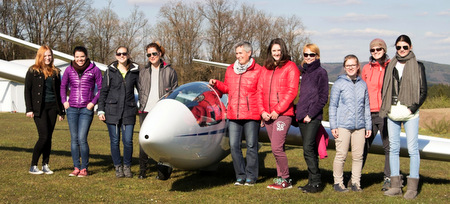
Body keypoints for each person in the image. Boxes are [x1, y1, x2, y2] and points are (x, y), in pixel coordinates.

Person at [380, 34, 427, 200]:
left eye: (404, 47)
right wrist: (387, 107)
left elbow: (423, 91)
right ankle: (395, 186)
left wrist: (412, 108)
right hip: (392, 112)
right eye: (398, 47)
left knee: (413, 149)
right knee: (393, 149)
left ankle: (412, 187)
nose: (401, 50)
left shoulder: (418, 66)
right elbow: (384, 89)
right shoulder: (391, 65)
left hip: (410, 113)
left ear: (410, 47)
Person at [209, 41, 262, 186]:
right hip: (233, 114)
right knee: (234, 146)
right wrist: (217, 84)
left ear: (249, 53)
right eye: (237, 53)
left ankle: (251, 176)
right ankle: (240, 175)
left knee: (251, 146)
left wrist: (263, 112)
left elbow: (261, 93)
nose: (238, 56)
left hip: (252, 114)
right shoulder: (231, 69)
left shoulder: (259, 70)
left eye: (241, 53)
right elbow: (227, 87)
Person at [258, 38, 300, 190]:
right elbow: (259, 91)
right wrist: (262, 111)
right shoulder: (265, 68)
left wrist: (277, 110)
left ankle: (286, 179)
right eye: (274, 50)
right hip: (267, 115)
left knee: (276, 147)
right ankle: (279, 179)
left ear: (283, 51)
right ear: (270, 52)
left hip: (283, 114)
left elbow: (292, 91)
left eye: (279, 50)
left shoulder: (291, 67)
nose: (276, 53)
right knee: (277, 149)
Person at [329, 54, 372, 192]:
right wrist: (333, 125)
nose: (350, 68)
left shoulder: (363, 84)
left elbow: (366, 106)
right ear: (344, 67)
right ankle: (338, 183)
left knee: (358, 156)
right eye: (348, 66)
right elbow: (333, 106)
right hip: (342, 126)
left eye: (353, 65)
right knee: (341, 155)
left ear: (358, 66)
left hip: (359, 126)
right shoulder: (339, 84)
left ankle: (356, 183)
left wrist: (368, 125)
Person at [138, 42, 178, 179]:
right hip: (145, 110)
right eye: (149, 54)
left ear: (160, 53)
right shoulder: (143, 72)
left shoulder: (170, 71)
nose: (151, 56)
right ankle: (142, 171)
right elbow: (140, 89)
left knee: (163, 141)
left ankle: (162, 171)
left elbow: (174, 91)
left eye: (154, 53)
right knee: (144, 141)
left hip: (162, 112)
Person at [98, 46, 139, 178]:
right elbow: (103, 91)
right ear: (116, 56)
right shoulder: (110, 71)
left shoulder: (134, 71)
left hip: (128, 110)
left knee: (128, 141)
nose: (122, 56)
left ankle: (127, 166)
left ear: (128, 55)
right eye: (119, 54)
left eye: (124, 53)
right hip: (112, 110)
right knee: (114, 141)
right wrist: (100, 109)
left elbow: (142, 90)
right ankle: (118, 167)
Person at [61, 46, 102, 177]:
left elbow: (101, 89)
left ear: (86, 56)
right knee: (74, 139)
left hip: (86, 109)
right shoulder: (68, 70)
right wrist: (64, 101)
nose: (80, 59)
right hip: (72, 108)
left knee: (82, 138)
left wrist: (93, 103)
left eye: (82, 56)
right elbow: (62, 86)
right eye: (77, 57)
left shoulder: (94, 70)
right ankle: (76, 167)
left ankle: (84, 168)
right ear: (74, 57)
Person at [25, 45, 65, 175]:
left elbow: (59, 93)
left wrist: (61, 111)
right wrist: (29, 109)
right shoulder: (33, 71)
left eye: (49, 55)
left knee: (49, 137)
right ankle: (33, 165)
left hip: (53, 107)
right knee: (44, 136)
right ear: (40, 56)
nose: (47, 58)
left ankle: (45, 165)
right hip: (39, 108)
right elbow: (27, 90)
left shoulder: (56, 72)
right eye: (45, 55)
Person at [295, 44, 329, 193]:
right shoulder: (305, 71)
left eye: (312, 54)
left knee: (307, 149)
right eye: (306, 55)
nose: (308, 57)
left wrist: (311, 114)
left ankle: (316, 182)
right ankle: (312, 182)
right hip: (302, 116)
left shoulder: (321, 72)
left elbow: (323, 98)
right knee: (311, 150)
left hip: (312, 117)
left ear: (317, 56)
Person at [361, 38, 391, 191]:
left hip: (386, 113)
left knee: (389, 147)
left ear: (384, 50)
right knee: (363, 145)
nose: (376, 52)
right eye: (373, 50)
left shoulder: (391, 67)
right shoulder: (366, 68)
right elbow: (362, 89)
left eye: (378, 49)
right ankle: (356, 177)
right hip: (369, 112)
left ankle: (388, 178)